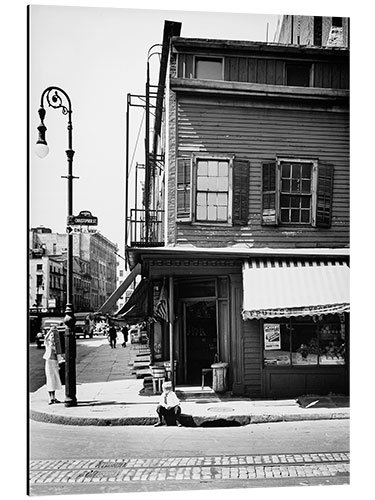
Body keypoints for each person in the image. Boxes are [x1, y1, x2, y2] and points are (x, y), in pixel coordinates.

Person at [43, 326, 64, 405]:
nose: (52, 338)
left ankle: (54, 397)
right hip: (49, 362)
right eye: (51, 336)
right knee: (49, 379)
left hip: (54, 363)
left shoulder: (56, 347)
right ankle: (50, 398)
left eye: (53, 336)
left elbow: (59, 355)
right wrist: (50, 331)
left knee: (54, 380)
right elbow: (45, 338)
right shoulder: (47, 344)